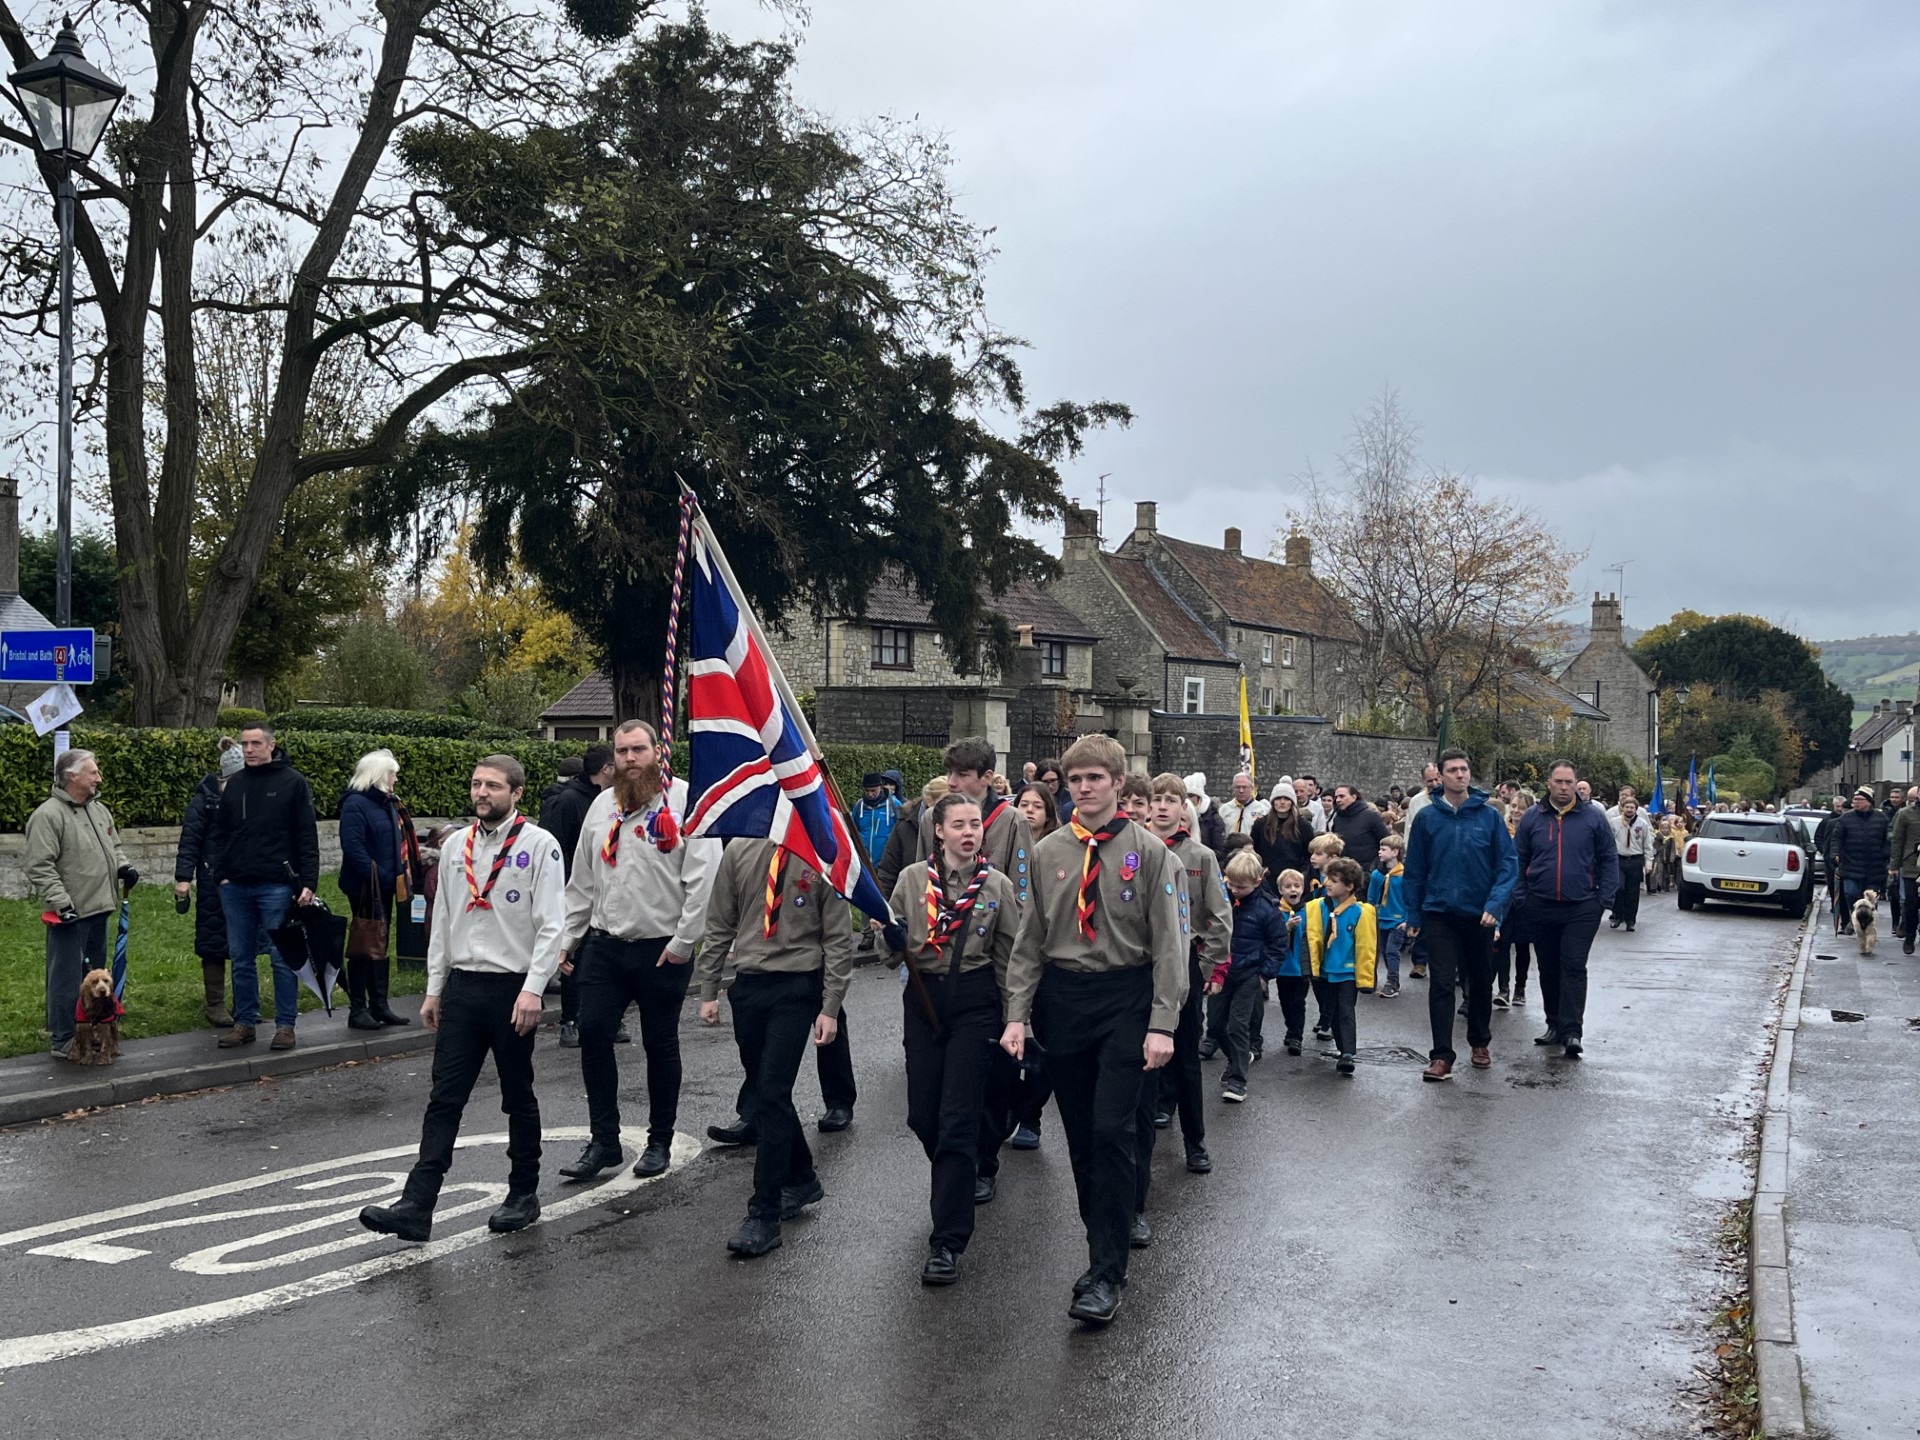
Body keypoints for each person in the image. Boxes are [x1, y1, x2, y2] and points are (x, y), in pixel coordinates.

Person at [1000, 734, 1187, 1326]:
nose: (1084, 788)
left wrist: (1163, 1023)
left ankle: (1108, 1272)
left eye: (1095, 779)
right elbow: (1029, 937)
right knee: (1081, 1138)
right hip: (1064, 999)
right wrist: (1016, 1013)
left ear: (1118, 783)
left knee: (1111, 1131)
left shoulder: (1151, 853)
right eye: (1075, 779)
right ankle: (1099, 1250)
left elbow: (1169, 945)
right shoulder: (1048, 848)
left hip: (1126, 1000)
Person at [359, 756, 566, 1243]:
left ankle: (523, 1191)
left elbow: (552, 924)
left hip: (513, 988)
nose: (482, 792)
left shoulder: (540, 846)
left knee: (517, 1094)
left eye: (493, 785)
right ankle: (417, 1204)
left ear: (516, 792)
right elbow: (444, 921)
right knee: (444, 1097)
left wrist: (535, 988)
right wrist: (434, 988)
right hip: (463, 988)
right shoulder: (456, 846)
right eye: (476, 784)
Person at [558, 720, 719, 1182]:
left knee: (659, 1043)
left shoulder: (686, 801)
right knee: (592, 1035)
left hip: (661, 950)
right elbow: (582, 879)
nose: (630, 759)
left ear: (657, 751)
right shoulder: (601, 808)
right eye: (622, 751)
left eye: (638, 750)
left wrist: (685, 941)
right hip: (606, 947)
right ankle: (604, 1141)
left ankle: (659, 1141)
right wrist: (569, 938)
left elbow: (703, 877)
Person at [883, 792, 1021, 1284]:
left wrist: (1015, 1020)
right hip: (922, 1002)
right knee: (924, 1116)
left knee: (957, 1121)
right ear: (938, 831)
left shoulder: (998, 887)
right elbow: (888, 952)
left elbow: (1010, 961)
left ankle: (947, 1241)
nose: (969, 832)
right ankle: (959, 1169)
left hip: (975, 1004)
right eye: (958, 824)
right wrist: (890, 939)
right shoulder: (911, 880)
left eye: (975, 824)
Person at [696, 837, 852, 1259]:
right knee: (768, 1096)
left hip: (797, 984)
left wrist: (831, 1005)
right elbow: (719, 921)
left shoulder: (820, 851)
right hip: (748, 985)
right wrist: (709, 986)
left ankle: (763, 1214)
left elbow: (839, 938)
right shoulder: (739, 851)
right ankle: (802, 1177)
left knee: (771, 1092)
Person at [1402, 748, 1517, 1083]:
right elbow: (1415, 869)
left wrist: (1494, 906)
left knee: (1480, 980)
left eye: (1464, 769)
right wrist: (1414, 911)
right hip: (1439, 911)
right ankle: (1441, 1056)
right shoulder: (1427, 817)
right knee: (1440, 983)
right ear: (1440, 776)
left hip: (1479, 913)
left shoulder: (1489, 816)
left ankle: (1479, 1041)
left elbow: (1508, 866)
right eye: (1452, 770)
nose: (1459, 775)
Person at [213, 724, 320, 1052]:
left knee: (281, 957)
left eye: (256, 743)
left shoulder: (293, 783)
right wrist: (221, 873)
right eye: (245, 744)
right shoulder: (235, 785)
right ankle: (245, 1022)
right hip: (237, 886)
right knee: (241, 956)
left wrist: (308, 882)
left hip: (277, 885)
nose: (249, 749)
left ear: (271, 745)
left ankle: (285, 1025)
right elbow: (219, 833)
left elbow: (306, 835)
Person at [26, 749, 136, 1060]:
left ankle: (94, 1033)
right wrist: (62, 903)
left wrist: (123, 867)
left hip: (99, 907)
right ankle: (63, 1037)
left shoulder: (99, 810)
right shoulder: (48, 816)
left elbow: (113, 846)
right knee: (66, 978)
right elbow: (39, 865)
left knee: (95, 979)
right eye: (93, 773)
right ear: (73, 776)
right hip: (69, 915)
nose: (98, 778)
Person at [1146, 773, 1230, 1171]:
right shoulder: (1136, 851)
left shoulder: (1200, 857)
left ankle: (1195, 1141)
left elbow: (1219, 916)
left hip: (1184, 966)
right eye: (1156, 798)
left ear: (1186, 807)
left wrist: (1207, 965)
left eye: (1171, 799)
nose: (1162, 806)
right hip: (1140, 967)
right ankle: (1149, 1122)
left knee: (1185, 1058)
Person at [1513, 762, 1620, 1058]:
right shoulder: (1533, 818)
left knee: (1572, 965)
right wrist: (1522, 896)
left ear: (1576, 785)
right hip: (1541, 903)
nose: (1563, 787)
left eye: (1569, 782)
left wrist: (1604, 899)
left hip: (1582, 905)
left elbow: (1609, 858)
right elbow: (1519, 859)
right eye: (1558, 781)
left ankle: (1572, 1031)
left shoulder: (1593, 819)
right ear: (1548, 783)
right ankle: (1554, 1024)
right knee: (1547, 967)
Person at [337, 747, 421, 1031]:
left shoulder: (386, 803)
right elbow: (353, 848)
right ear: (379, 775)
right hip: (364, 887)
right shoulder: (355, 804)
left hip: (384, 885)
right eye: (392, 774)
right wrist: (384, 876)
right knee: (365, 944)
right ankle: (358, 1008)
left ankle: (379, 1005)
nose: (396, 779)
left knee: (379, 943)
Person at [538, 743, 616, 1046]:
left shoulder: (611, 801)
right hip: (575, 889)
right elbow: (552, 846)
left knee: (601, 959)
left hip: (607, 890)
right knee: (575, 957)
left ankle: (608, 1016)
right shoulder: (570, 801)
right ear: (607, 769)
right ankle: (569, 1021)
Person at [1207, 849, 1285, 1101]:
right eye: (1230, 883)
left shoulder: (1267, 909)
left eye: (1240, 886)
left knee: (1238, 1026)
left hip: (1248, 974)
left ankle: (1238, 1080)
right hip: (1220, 972)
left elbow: (1278, 944)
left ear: (1257, 882)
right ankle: (1236, 1059)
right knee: (1216, 1025)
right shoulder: (1221, 899)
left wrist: (1264, 975)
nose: (1234, 889)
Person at [175, 741, 243, 1028]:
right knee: (214, 940)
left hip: (245, 878)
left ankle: (245, 1002)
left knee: (245, 943)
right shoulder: (205, 799)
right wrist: (183, 878)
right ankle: (215, 1003)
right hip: (212, 878)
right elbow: (190, 839)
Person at [1306, 856, 1377, 1075]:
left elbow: (1366, 946)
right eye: (1327, 878)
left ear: (1349, 886)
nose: (1327, 883)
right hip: (1326, 971)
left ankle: (1348, 1053)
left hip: (1347, 971)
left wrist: (1365, 978)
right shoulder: (1317, 907)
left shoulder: (1361, 912)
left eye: (1334, 880)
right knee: (1331, 1011)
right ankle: (1341, 1047)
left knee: (1346, 1010)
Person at [1832, 787, 1891, 935]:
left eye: (1860, 800)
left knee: (1870, 900)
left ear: (1869, 802)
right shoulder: (1846, 818)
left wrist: (1885, 854)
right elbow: (1836, 838)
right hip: (1851, 864)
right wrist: (1834, 854)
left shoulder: (1881, 818)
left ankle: (1869, 927)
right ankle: (1854, 919)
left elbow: (1888, 839)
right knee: (1851, 893)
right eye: (1854, 800)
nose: (1856, 803)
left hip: (1874, 867)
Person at [1266, 868, 1311, 1053]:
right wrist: (1286, 927)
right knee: (1285, 1001)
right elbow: (1271, 936)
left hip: (1301, 967)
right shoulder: (1276, 911)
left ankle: (1295, 1036)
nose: (1293, 889)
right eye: (1288, 886)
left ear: (1302, 888)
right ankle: (1290, 1028)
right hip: (1283, 967)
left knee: (1298, 1002)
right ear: (1280, 890)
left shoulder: (1309, 911)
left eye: (1297, 886)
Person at [1367, 832, 1407, 998]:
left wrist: (1407, 920)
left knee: (1392, 951)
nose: (1379, 852)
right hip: (1380, 919)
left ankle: (1392, 982)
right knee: (1384, 951)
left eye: (1383, 849)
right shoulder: (1377, 875)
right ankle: (1387, 979)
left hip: (1398, 921)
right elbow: (1371, 898)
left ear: (1395, 852)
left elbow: (1412, 899)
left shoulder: (1406, 875)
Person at [1252, 788, 1312, 897]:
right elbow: (1254, 850)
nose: (1282, 802)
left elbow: (1308, 854)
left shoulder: (1303, 826)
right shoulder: (1261, 825)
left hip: (1294, 881)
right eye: (1278, 798)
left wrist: (1302, 874)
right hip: (1268, 880)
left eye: (1286, 799)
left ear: (1292, 802)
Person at [1608, 791, 1651, 933]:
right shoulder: (1615, 823)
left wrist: (1648, 861)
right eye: (1627, 807)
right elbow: (1608, 843)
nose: (1629, 809)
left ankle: (1630, 920)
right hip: (1619, 860)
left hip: (1635, 860)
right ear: (1622, 807)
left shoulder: (1642, 824)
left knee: (1632, 892)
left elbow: (1647, 844)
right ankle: (1617, 916)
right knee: (1619, 888)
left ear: (1636, 809)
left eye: (1632, 807)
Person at [1328, 783, 1390, 871]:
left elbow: (1386, 840)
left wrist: (1375, 865)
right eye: (1336, 797)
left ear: (1353, 797)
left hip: (1366, 870)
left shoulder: (1371, 816)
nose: (1338, 800)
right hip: (1344, 869)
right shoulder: (1337, 818)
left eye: (1342, 796)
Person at [852, 772, 903, 876]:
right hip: (863, 864)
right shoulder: (859, 806)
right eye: (867, 791)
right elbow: (853, 831)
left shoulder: (894, 805)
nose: (870, 794)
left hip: (886, 865)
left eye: (873, 791)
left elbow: (901, 833)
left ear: (880, 787)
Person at [1889, 787, 1920, 955]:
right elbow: (1897, 840)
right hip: (1911, 866)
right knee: (1911, 904)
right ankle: (1909, 936)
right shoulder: (1906, 814)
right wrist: (1894, 866)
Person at [1217, 772, 1269, 839]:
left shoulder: (1263, 810)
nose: (1241, 790)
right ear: (1233, 788)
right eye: (1238, 787)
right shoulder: (1224, 810)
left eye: (1244, 787)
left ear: (1252, 788)